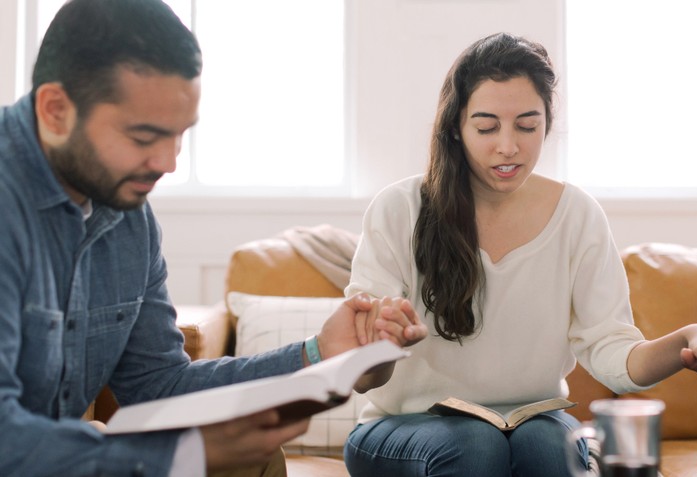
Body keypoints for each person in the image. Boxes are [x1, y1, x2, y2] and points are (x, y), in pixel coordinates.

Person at [0, 1, 427, 476]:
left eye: (179, 135)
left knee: (252, 459)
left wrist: (317, 355)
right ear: (56, 110)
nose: (168, 163)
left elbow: (159, 384)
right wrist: (176, 455)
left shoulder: (127, 217)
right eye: (144, 137)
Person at [341, 32, 697, 477]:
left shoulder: (577, 215)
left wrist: (688, 338)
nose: (508, 147)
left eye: (527, 126)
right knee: (475, 444)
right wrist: (378, 346)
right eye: (487, 127)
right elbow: (360, 374)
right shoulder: (399, 209)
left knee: (552, 444)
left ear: (547, 124)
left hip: (530, 420)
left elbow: (612, 356)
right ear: (456, 126)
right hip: (402, 429)